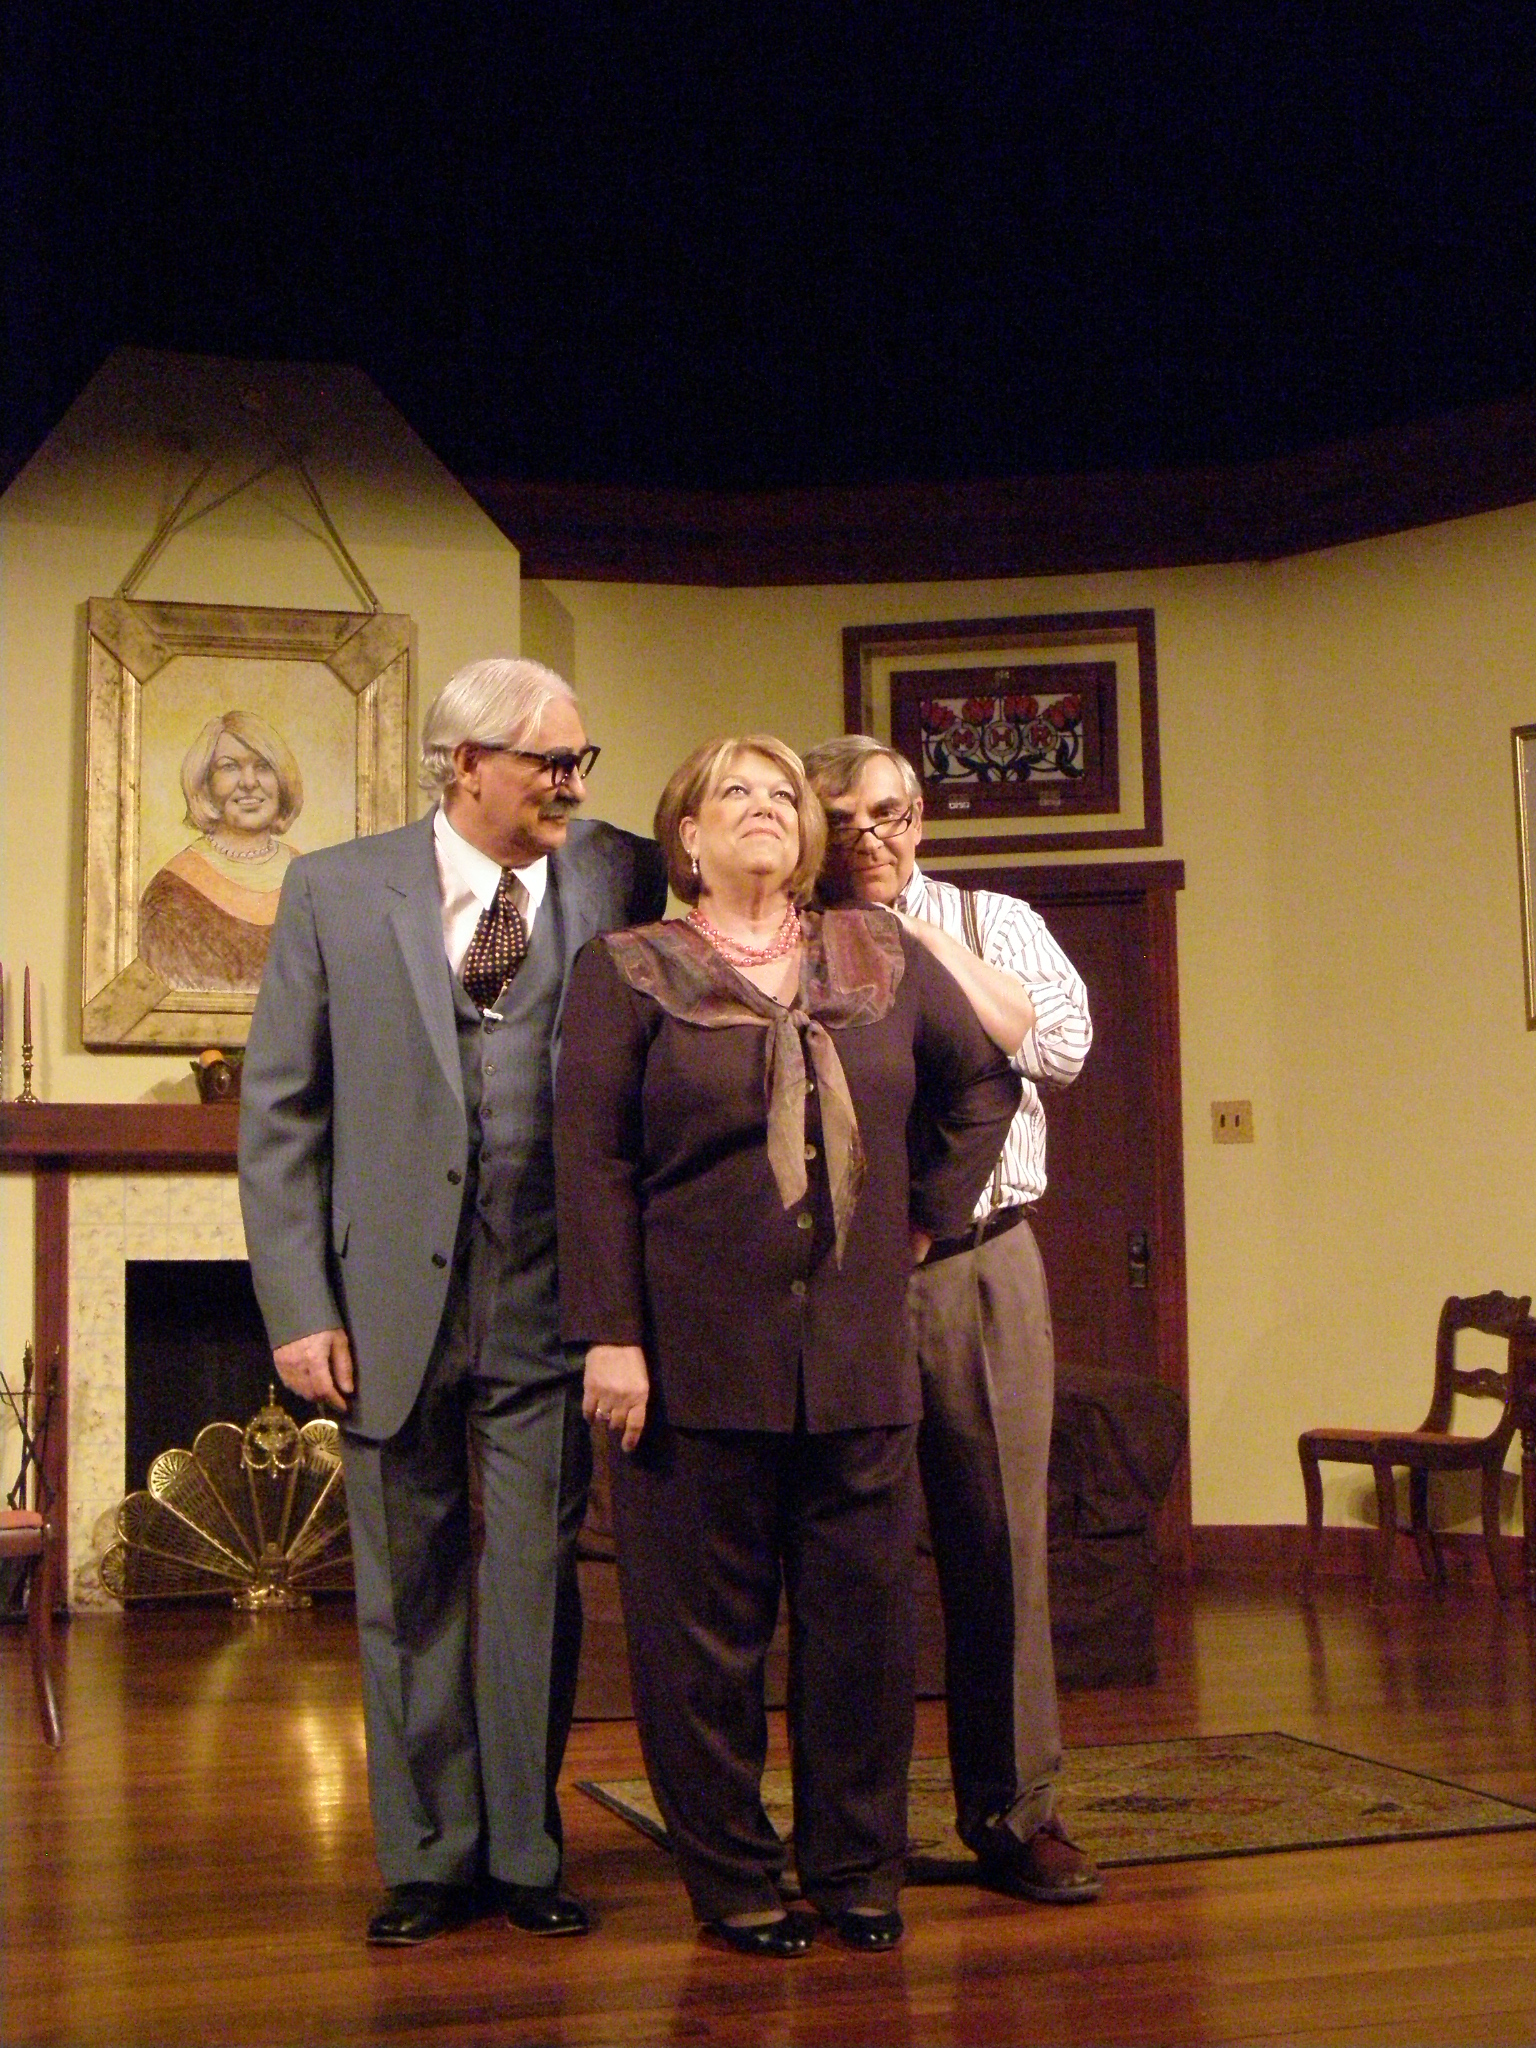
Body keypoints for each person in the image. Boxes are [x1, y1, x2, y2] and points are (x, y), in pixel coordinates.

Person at [553, 734, 1020, 1958]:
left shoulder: (881, 954)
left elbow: (985, 1084)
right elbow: (591, 1163)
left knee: (865, 1634)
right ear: (688, 835)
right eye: (734, 792)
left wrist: (926, 1213)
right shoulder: (627, 970)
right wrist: (611, 1335)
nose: (762, 808)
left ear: (808, 834)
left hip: (860, 1359)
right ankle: (735, 1879)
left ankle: (856, 1868)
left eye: (780, 793)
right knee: (700, 1645)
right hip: (690, 1362)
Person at [237, 656, 667, 1947]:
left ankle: (527, 1852)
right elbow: (282, 1112)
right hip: (383, 1303)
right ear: (466, 762)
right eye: (551, 762)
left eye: (582, 762)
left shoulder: (623, 874)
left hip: (550, 1296)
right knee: (408, 1584)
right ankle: (428, 1858)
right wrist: (299, 1305)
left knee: (534, 1580)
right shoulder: (334, 888)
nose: (572, 784)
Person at [803, 733, 1101, 1907]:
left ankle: (1018, 1813)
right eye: (842, 820)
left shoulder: (993, 918)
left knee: (999, 1547)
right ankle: (852, 1833)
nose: (869, 837)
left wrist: (921, 937)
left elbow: (1061, 1048)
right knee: (846, 1552)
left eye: (887, 813)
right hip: (839, 1279)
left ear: (919, 817)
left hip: (981, 1264)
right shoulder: (791, 936)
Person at [140, 709, 303, 991]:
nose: (249, 782)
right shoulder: (172, 893)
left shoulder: (310, 880)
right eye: (230, 767)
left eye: (263, 766)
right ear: (205, 785)